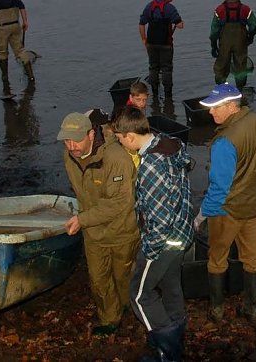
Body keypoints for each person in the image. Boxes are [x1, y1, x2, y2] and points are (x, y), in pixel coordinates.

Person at [112, 107, 194, 362]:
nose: (121, 144)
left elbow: (159, 220)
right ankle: (177, 335)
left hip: (165, 240)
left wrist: (149, 251)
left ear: (130, 136)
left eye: (120, 139)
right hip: (183, 232)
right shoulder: (169, 144)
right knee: (171, 286)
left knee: (138, 293)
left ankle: (168, 352)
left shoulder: (150, 167)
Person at [57, 110, 139, 337]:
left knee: (123, 277)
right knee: (99, 279)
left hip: (122, 230)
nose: (71, 146)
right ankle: (109, 318)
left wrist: (82, 219)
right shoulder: (69, 157)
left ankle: (128, 306)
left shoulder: (117, 158)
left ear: (92, 134)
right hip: (93, 232)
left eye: (76, 139)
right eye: (66, 140)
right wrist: (83, 219)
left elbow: (121, 203)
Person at [195, 83, 256, 323]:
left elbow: (219, 187)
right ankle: (253, 308)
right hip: (255, 204)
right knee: (253, 257)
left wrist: (202, 215)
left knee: (217, 259)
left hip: (228, 210)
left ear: (231, 106)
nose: (210, 112)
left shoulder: (225, 141)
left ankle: (217, 310)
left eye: (215, 107)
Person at [139, 0, 184, 101]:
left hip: (151, 44)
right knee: (167, 69)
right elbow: (180, 25)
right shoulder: (170, 8)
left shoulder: (150, 6)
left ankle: (154, 94)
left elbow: (141, 24)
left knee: (153, 68)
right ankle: (168, 95)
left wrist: (144, 39)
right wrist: (181, 22)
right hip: (165, 45)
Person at [209, 0, 256, 89]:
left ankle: (221, 91)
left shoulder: (219, 9)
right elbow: (254, 26)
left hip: (225, 44)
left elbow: (214, 32)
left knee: (221, 67)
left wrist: (214, 46)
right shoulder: (246, 9)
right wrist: (250, 36)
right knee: (241, 66)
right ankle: (240, 92)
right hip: (240, 43)